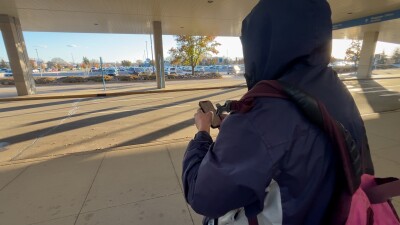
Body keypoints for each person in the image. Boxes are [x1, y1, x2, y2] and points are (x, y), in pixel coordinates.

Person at [182, 0, 374, 224]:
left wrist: (203, 133)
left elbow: (202, 195)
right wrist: (241, 132)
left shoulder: (265, 108)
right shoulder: (337, 91)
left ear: (260, 43)